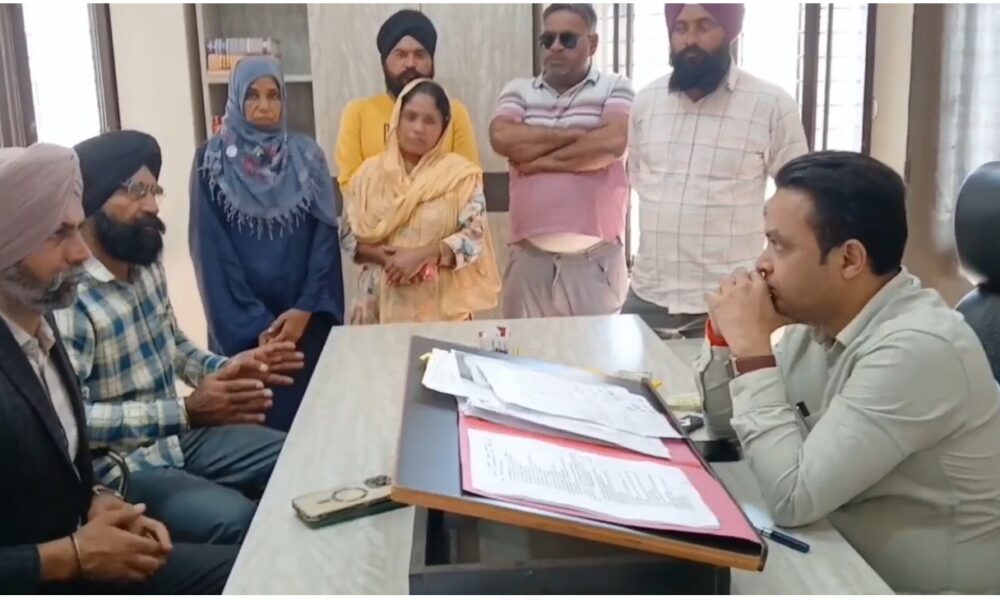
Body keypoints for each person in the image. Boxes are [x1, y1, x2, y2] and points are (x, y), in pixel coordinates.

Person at [697, 151, 1000, 594]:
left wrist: (752, 350)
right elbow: (726, 427)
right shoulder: (817, 319)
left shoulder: (918, 347)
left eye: (781, 246)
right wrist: (726, 339)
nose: (762, 263)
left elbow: (791, 499)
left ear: (849, 260)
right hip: (836, 553)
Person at [0, 142, 235, 594]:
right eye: (58, 234)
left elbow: (56, 470)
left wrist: (97, 503)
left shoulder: (42, 324)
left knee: (253, 569)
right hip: (50, 574)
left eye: (77, 229)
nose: (80, 252)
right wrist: (70, 554)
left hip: (88, 547)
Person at [54, 130, 294, 546]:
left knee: (298, 457)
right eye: (135, 190)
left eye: (154, 191)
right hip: (121, 468)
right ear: (93, 201)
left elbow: (174, 345)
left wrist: (231, 369)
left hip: (177, 441)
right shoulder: (70, 296)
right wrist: (184, 411)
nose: (150, 205)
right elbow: (72, 424)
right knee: (237, 519)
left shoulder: (144, 260)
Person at [626, 3, 808, 338]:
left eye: (704, 26)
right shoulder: (646, 102)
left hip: (730, 299)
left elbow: (798, 199)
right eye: (681, 28)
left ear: (730, 32)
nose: (690, 40)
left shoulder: (770, 104)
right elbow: (638, 179)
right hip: (648, 296)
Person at [190, 55, 344, 433]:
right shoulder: (210, 162)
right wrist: (257, 328)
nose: (264, 105)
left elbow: (324, 242)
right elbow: (211, 253)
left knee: (312, 429)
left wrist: (306, 309)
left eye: (273, 95)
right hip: (245, 332)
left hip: (304, 326)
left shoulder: (308, 157)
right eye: (252, 95)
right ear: (235, 99)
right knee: (256, 429)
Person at [490, 3, 634, 319]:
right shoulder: (518, 90)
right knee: (522, 350)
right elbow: (502, 138)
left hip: (596, 266)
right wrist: (580, 136)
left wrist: (537, 162)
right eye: (548, 39)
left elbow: (612, 143)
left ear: (592, 44)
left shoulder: (615, 87)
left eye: (567, 39)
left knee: (599, 352)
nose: (555, 47)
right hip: (529, 264)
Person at [341, 78, 501, 324]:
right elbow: (347, 236)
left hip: (443, 313)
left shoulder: (460, 177)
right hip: (378, 310)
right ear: (397, 118)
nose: (418, 128)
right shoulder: (368, 175)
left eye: (429, 121)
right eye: (411, 117)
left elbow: (474, 238)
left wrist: (423, 256)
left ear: (443, 127)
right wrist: (389, 260)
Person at [335, 9, 479, 189]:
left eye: (419, 55)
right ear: (384, 62)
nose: (410, 63)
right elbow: (350, 185)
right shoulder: (358, 113)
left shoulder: (454, 112)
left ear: (432, 62)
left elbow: (469, 181)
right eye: (400, 55)